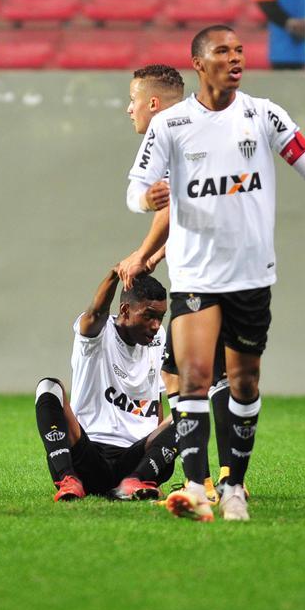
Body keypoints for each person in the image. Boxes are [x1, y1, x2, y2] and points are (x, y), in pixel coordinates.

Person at [123, 25, 305, 521]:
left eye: (239, 51)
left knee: (243, 383)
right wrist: (145, 199)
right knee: (193, 378)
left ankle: (235, 484)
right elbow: (134, 188)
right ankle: (196, 488)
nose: (235, 58)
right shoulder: (172, 125)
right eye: (223, 51)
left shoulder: (264, 115)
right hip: (197, 274)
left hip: (251, 274)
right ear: (199, 63)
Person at [121, 64, 236, 504]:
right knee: (217, 374)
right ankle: (227, 478)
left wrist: (140, 254)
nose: (127, 109)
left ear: (153, 103)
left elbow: (168, 204)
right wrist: (158, 252)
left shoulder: (174, 131)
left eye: (132, 100)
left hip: (204, 278)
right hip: (230, 267)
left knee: (186, 374)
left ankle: (204, 480)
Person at [33, 270, 179, 504]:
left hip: (134, 461)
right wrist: (115, 273)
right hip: (88, 457)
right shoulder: (98, 333)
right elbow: (96, 312)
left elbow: (155, 400)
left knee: (187, 412)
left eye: (160, 317)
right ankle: (68, 479)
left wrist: (158, 445)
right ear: (124, 310)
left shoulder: (158, 337)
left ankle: (138, 481)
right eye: (149, 315)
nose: (155, 325)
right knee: (48, 387)